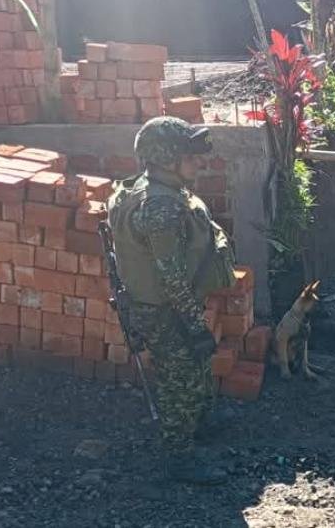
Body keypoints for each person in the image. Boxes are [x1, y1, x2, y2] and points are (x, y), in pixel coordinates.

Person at [107, 117, 238, 485]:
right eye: (189, 155)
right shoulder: (160, 208)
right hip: (164, 310)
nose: (198, 162)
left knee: (196, 367)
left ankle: (201, 420)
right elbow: (171, 277)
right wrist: (194, 324)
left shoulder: (157, 189)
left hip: (168, 305)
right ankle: (179, 455)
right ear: (165, 159)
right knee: (179, 379)